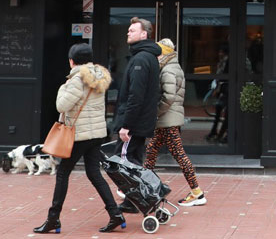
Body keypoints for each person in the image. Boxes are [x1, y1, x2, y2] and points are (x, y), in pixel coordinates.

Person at [34, 43, 125, 233]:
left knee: (62, 174)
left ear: (72, 61)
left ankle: (53, 219)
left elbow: (61, 106)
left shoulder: (76, 80)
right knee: (94, 173)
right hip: (95, 134)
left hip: (79, 135)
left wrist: (62, 87)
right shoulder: (98, 76)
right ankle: (115, 213)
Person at [144, 38, 207, 207]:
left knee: (178, 154)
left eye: (157, 52)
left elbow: (169, 96)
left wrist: (156, 112)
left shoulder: (167, 70)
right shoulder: (172, 67)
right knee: (151, 150)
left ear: (163, 53)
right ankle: (143, 186)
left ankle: (197, 193)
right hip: (168, 119)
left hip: (168, 120)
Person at [112, 17, 161, 214]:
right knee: (133, 161)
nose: (128, 33)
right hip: (140, 122)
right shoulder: (146, 56)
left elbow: (136, 95)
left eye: (132, 30)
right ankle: (135, 202)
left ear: (144, 34)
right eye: (128, 30)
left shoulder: (141, 59)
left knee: (121, 161)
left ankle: (139, 199)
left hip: (134, 123)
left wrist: (126, 125)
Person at [206, 47, 229, 143]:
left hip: (225, 89)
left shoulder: (226, 61)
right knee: (222, 111)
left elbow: (221, 75)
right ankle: (218, 133)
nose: (219, 53)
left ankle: (219, 134)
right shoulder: (223, 61)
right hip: (223, 89)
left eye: (221, 51)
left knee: (224, 112)